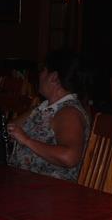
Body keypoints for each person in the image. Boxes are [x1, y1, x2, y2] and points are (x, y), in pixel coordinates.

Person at [7, 49, 90, 181]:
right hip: (26, 181)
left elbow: (69, 157)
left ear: (54, 77)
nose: (40, 75)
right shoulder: (46, 106)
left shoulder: (68, 113)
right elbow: (9, 128)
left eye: (43, 70)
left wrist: (27, 140)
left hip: (50, 187)